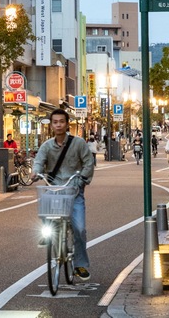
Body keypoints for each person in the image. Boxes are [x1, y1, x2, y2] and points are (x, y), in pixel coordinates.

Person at [31, 108, 95, 282]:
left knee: (79, 228)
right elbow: (38, 161)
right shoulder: (46, 146)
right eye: (55, 122)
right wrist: (36, 172)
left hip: (74, 191)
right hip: (54, 190)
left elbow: (89, 162)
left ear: (67, 124)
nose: (58, 124)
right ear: (51, 125)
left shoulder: (79, 143)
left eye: (61, 121)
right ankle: (48, 236)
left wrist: (82, 179)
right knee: (44, 209)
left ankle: (80, 264)